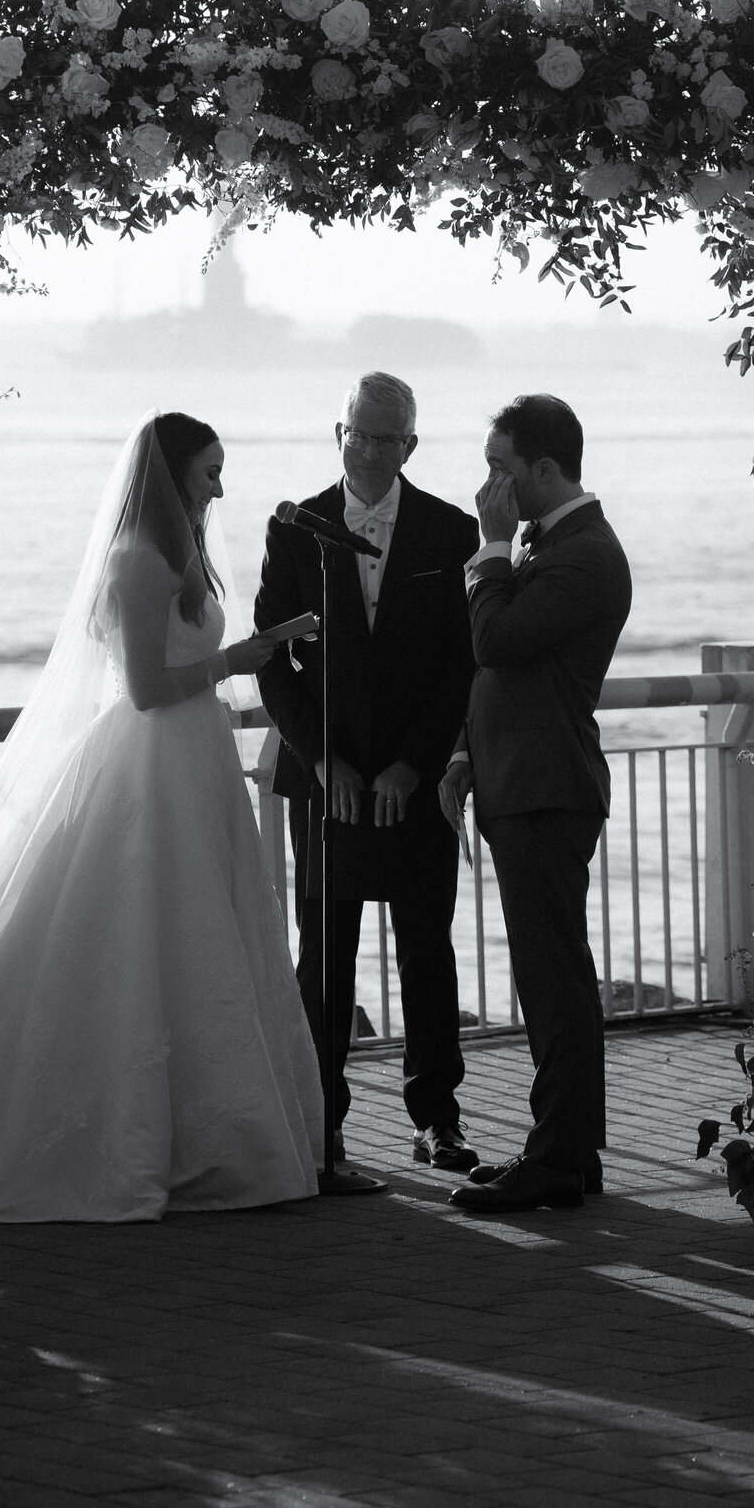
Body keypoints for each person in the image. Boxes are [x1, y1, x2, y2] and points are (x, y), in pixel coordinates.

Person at [0, 413, 324, 1225]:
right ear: (172, 475)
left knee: (207, 934)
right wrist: (233, 661)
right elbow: (144, 687)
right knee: (153, 929)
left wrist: (248, 652)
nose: (219, 487)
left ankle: (217, 1134)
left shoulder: (182, 552)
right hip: (154, 762)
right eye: (208, 472)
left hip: (196, 760)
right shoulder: (138, 559)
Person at [254, 372, 479, 1172]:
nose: (374, 451)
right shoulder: (295, 529)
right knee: (325, 958)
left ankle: (437, 1119)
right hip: (328, 786)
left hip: (415, 785)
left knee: (427, 951)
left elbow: (462, 666)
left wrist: (414, 766)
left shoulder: (450, 532)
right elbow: (272, 661)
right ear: (338, 434)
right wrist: (325, 761)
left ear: (410, 445)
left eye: (390, 438)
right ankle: (322, 1122)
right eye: (361, 435)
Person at [438, 395, 632, 1215]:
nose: (489, 485)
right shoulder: (548, 544)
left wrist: (487, 549)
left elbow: (496, 641)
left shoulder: (585, 554)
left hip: (548, 786)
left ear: (545, 469)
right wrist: (464, 752)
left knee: (553, 982)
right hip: (521, 780)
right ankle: (569, 1152)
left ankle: (555, 1157)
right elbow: (505, 673)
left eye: (500, 467)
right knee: (551, 977)